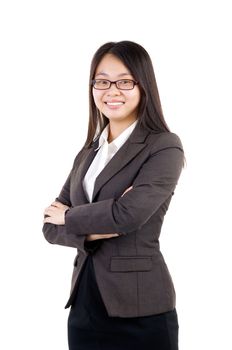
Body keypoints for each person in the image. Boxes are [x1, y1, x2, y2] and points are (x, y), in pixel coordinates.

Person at [43, 40, 184, 350]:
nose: (111, 90)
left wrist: (70, 217)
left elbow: (128, 216)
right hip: (84, 303)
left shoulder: (163, 146)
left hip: (141, 308)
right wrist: (101, 224)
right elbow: (49, 227)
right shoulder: (87, 153)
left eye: (124, 81)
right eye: (102, 81)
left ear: (143, 85)